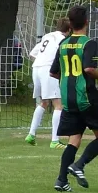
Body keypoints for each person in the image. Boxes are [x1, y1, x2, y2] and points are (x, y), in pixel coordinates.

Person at [50, 6, 98, 192]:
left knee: (74, 140)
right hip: (85, 97)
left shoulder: (63, 44)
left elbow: (54, 73)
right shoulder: (88, 43)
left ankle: (61, 180)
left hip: (68, 99)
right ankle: (79, 165)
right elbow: (88, 69)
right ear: (87, 22)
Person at [25, 18, 71, 149]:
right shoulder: (62, 39)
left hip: (36, 68)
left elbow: (32, 53)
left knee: (44, 102)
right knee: (59, 104)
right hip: (47, 69)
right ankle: (55, 140)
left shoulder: (47, 36)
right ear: (68, 30)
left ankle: (31, 134)